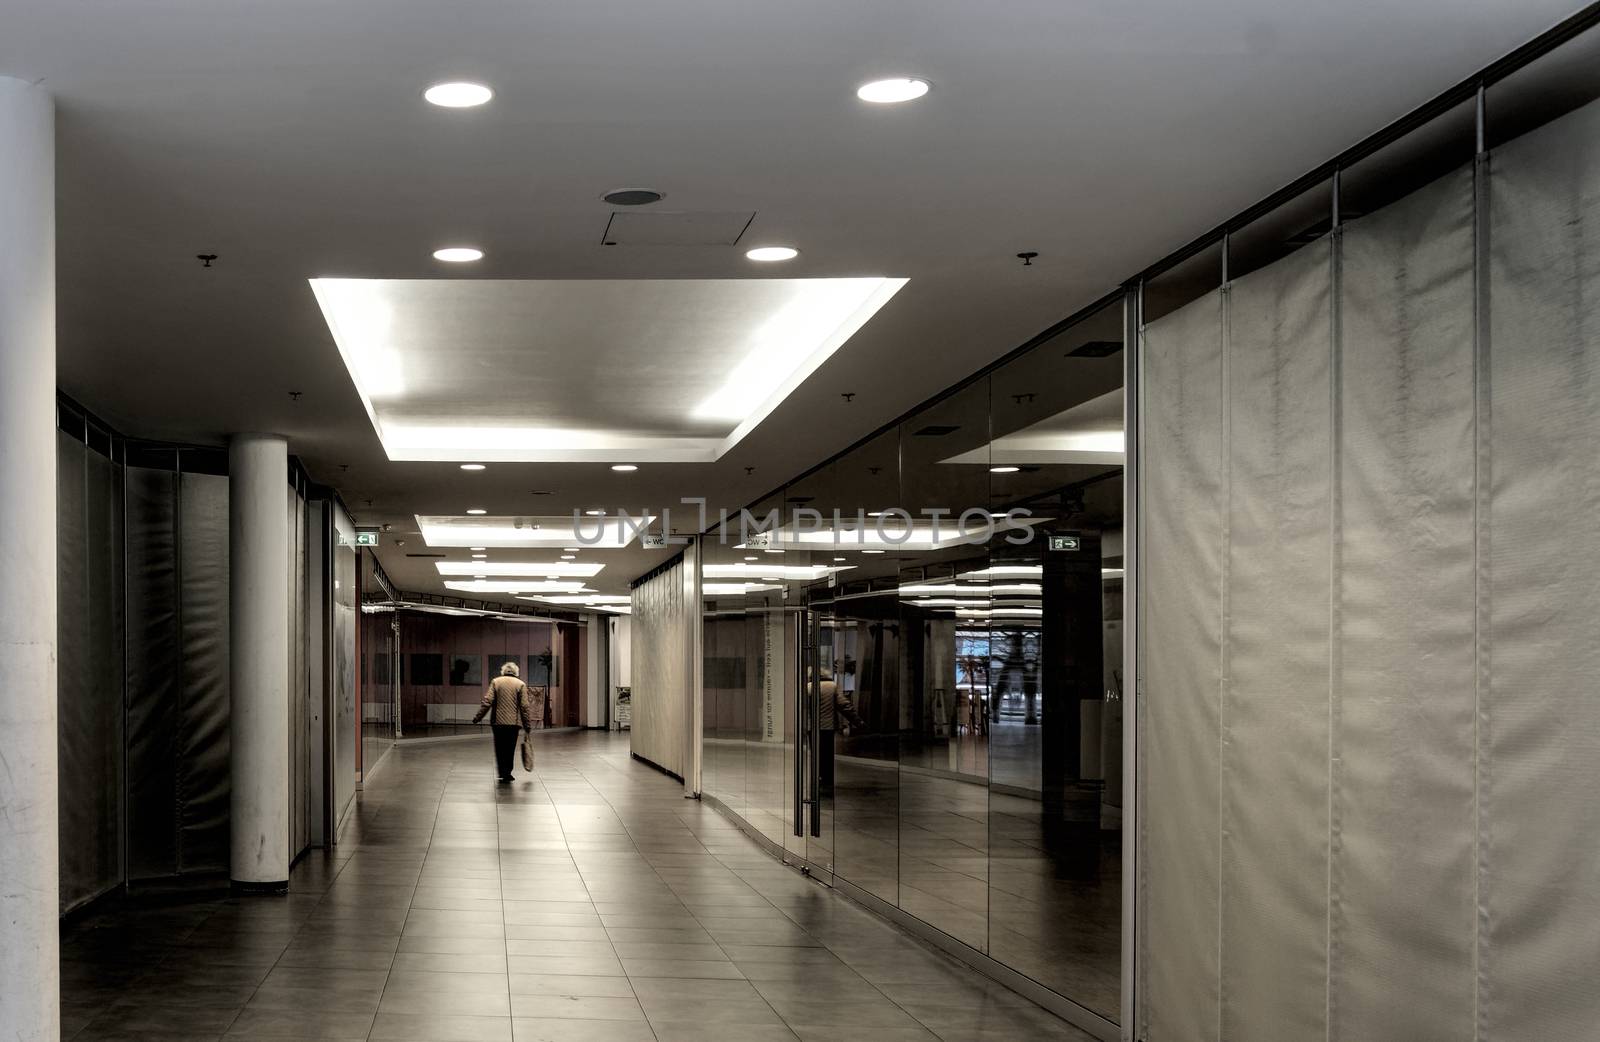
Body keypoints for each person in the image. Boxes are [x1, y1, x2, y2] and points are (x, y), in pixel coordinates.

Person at [473, 661, 535, 782]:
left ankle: (502, 771)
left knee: (500, 747)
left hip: (498, 722)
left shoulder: (496, 682)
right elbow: (524, 707)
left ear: (503, 671)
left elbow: (487, 702)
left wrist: (478, 717)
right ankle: (507, 772)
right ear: (516, 672)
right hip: (513, 723)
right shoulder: (520, 684)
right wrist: (527, 725)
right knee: (510, 748)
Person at [817, 668, 864, 796]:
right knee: (827, 752)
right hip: (828, 726)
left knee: (816, 752)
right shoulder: (832, 686)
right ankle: (827, 778)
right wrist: (858, 722)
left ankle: (818, 776)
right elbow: (844, 706)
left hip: (813, 728)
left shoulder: (808, 687)